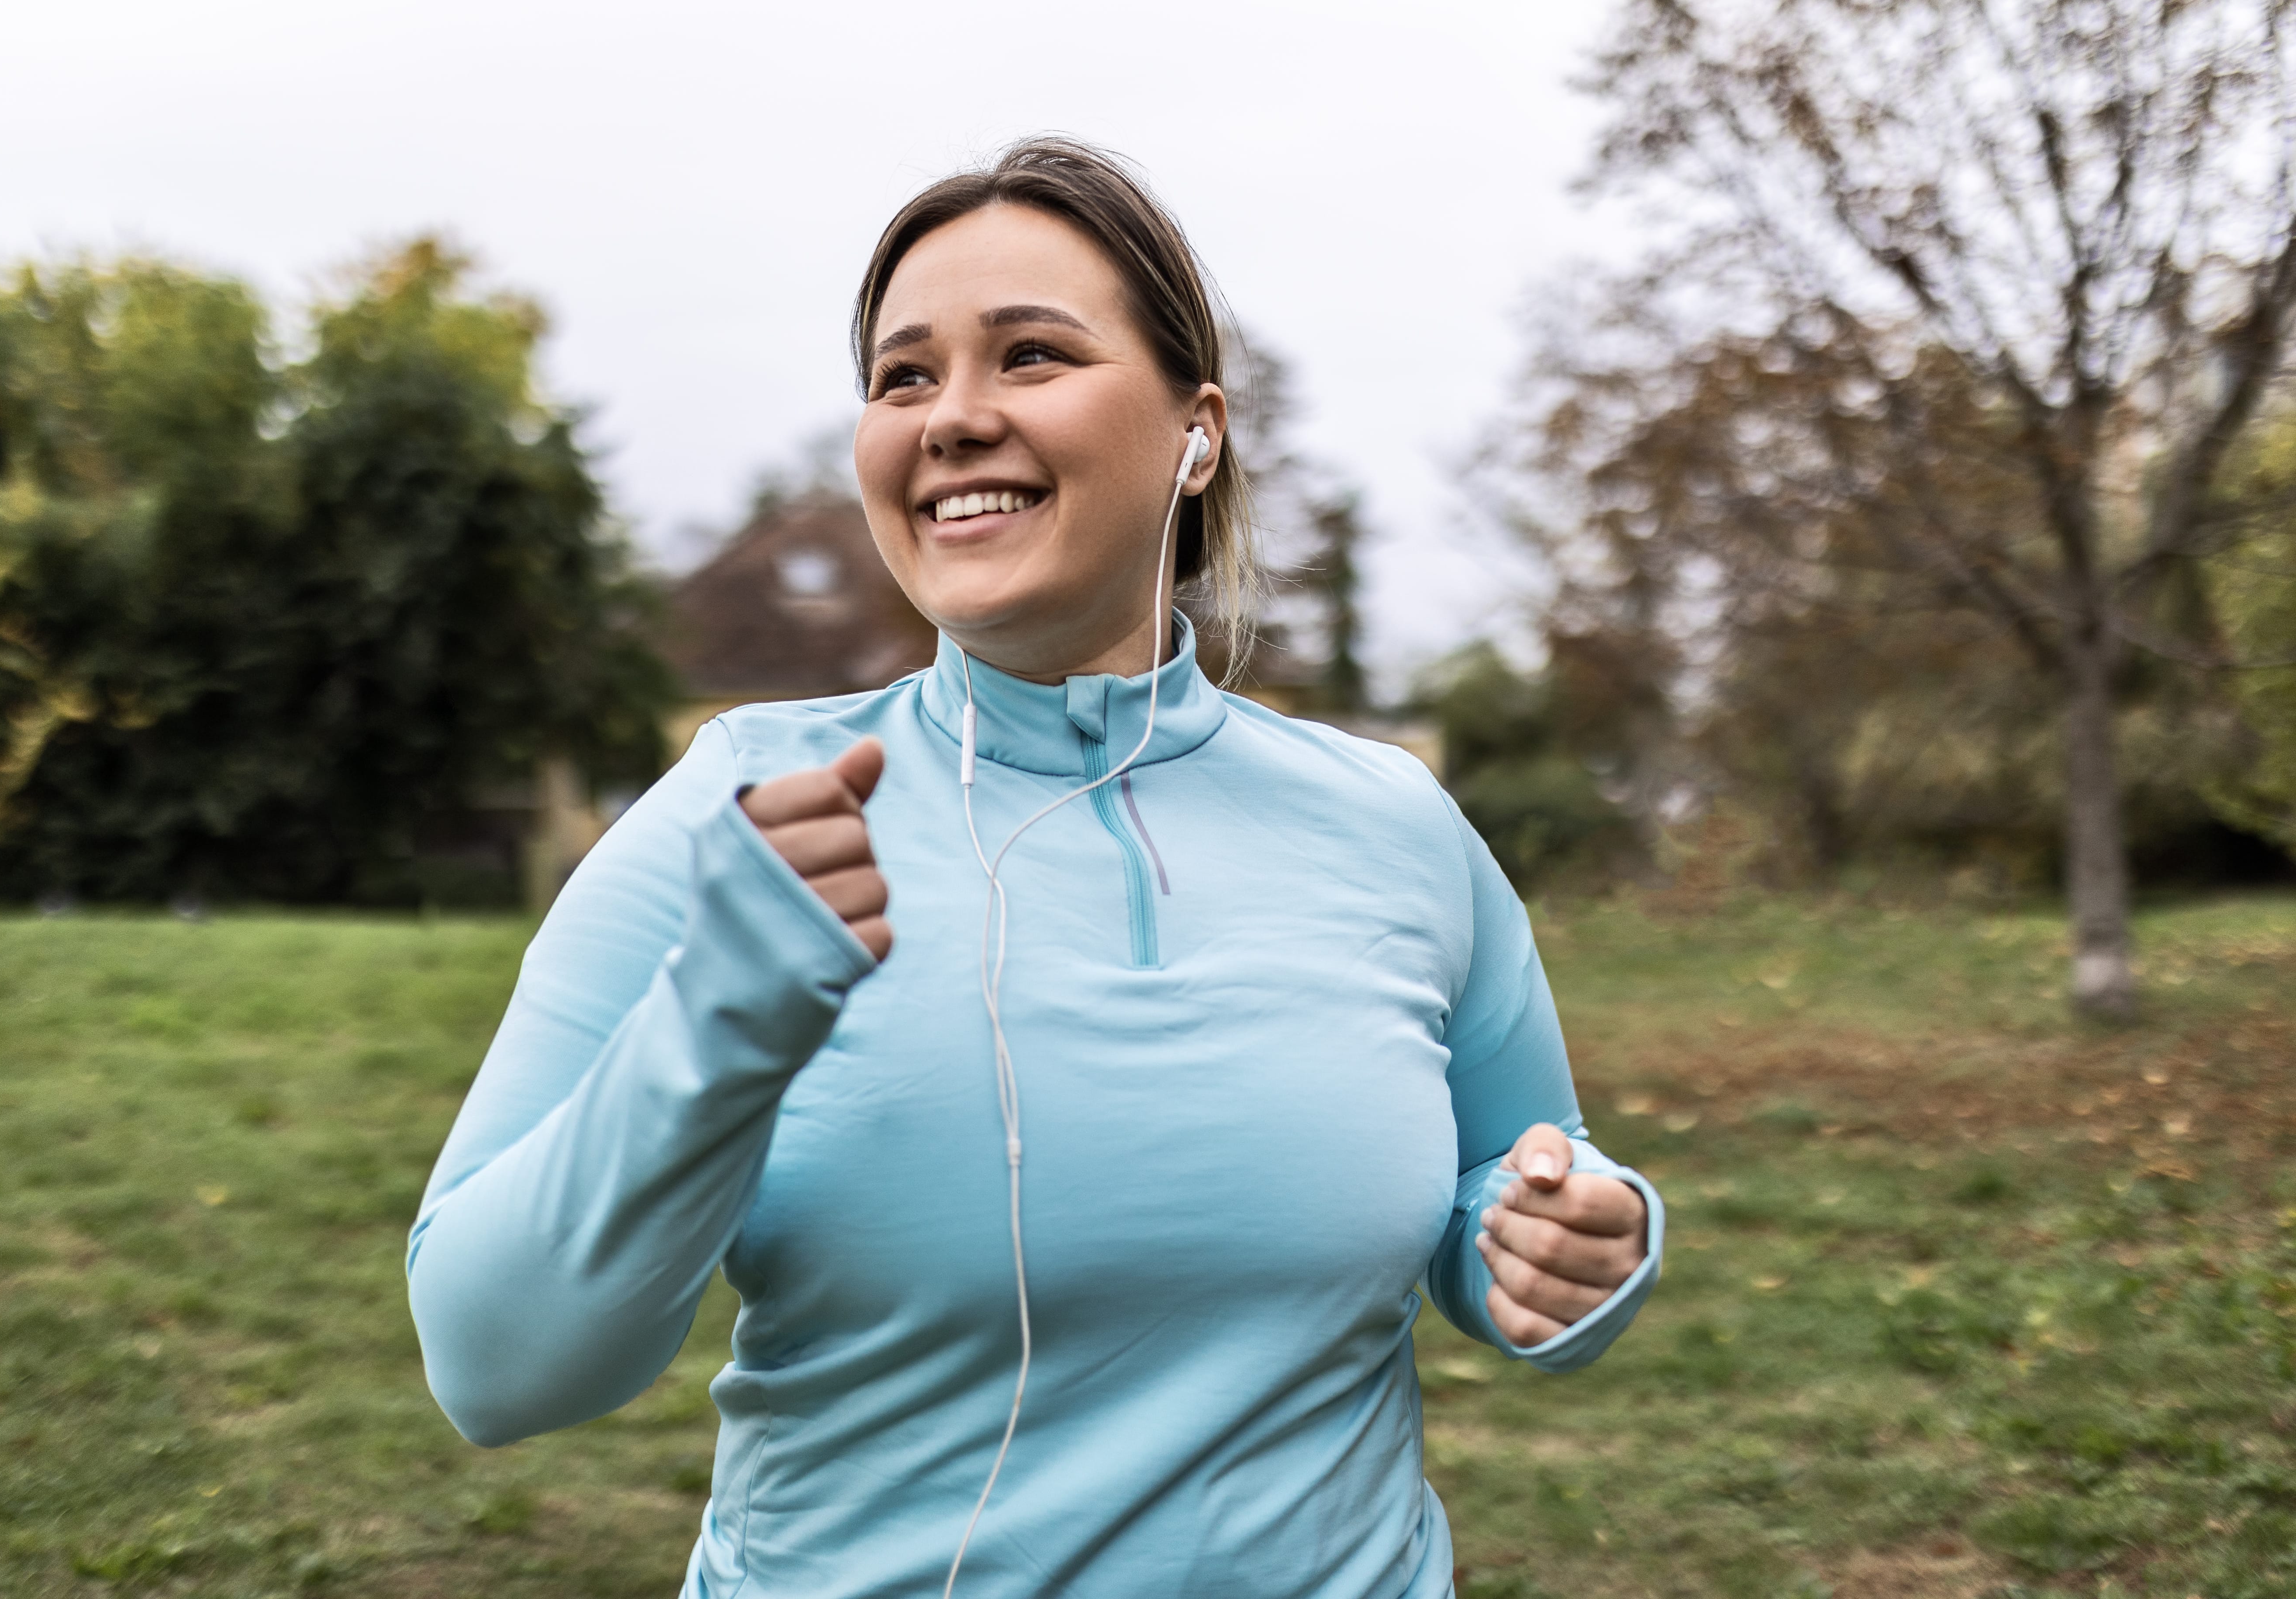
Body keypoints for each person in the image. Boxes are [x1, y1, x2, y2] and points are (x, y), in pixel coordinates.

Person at [407, 137, 1664, 1599]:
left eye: (1032, 355)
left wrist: (1567, 1239)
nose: (953, 418)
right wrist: (714, 1029)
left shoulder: (1394, 823)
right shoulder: (742, 811)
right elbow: (496, 1371)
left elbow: (1506, 1177)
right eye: (903, 377)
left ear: (1197, 434)